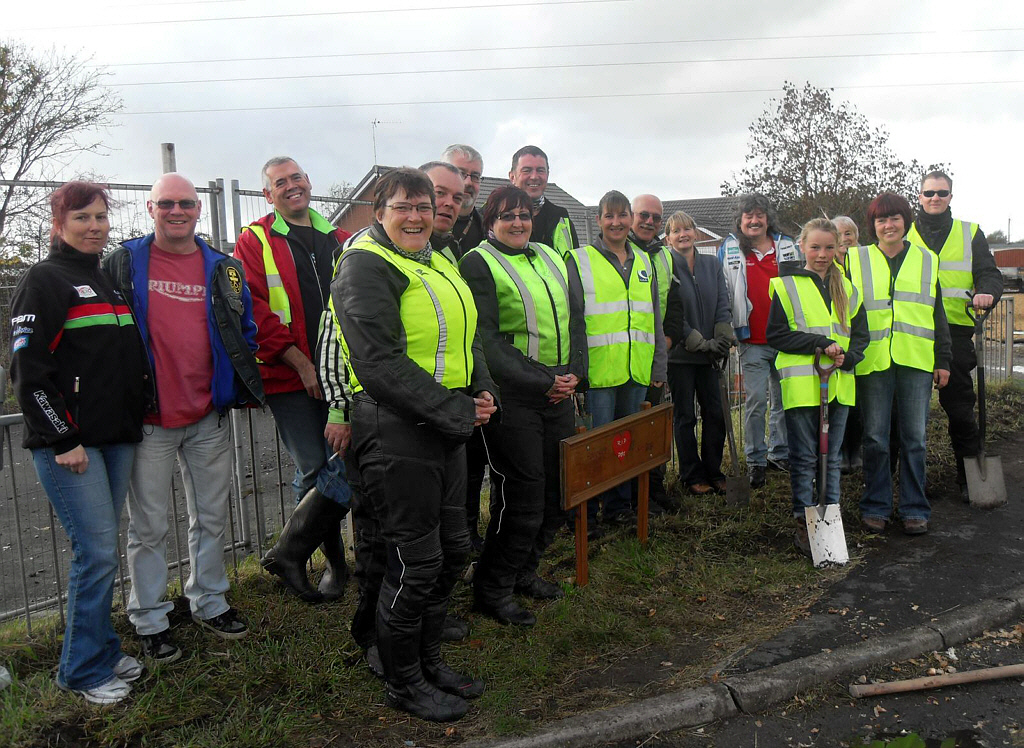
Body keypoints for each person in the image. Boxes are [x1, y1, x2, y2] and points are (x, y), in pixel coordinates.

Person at [334, 167, 497, 722]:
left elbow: (464, 341)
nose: (417, 216)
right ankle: (404, 681)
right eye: (403, 205)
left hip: (445, 425)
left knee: (453, 549)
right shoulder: (364, 266)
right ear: (379, 210)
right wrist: (454, 411)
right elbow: (377, 362)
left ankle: (428, 662)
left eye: (424, 207)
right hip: (396, 429)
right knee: (415, 561)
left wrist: (481, 390)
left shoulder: (438, 260)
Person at [104, 173, 264, 663]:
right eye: (167, 203)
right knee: (148, 526)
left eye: (187, 204)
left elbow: (245, 330)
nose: (177, 211)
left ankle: (209, 601)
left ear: (198, 211)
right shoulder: (123, 263)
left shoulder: (223, 268)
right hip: (149, 419)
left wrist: (234, 385)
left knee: (212, 517)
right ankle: (149, 617)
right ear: (150, 208)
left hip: (207, 417)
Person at [11, 182, 151, 704]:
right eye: (82, 218)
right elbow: (28, 370)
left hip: (116, 441)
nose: (94, 227)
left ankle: (101, 647)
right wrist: (61, 436)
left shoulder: (109, 284)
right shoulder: (44, 281)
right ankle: (80, 671)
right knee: (94, 555)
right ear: (58, 225)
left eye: (100, 217)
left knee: (103, 553)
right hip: (71, 447)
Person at [460, 185, 587, 627]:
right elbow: (488, 341)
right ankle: (492, 587)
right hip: (514, 400)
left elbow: (576, 321)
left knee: (558, 494)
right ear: (490, 221)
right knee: (523, 497)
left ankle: (523, 572)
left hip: (558, 393)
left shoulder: (552, 256)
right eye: (506, 215)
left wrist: (574, 374)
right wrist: (546, 380)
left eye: (524, 214)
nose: (517, 222)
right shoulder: (478, 262)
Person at [234, 157, 354, 604]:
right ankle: (333, 568)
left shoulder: (340, 237)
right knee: (314, 469)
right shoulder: (255, 239)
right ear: (268, 195)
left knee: (346, 463)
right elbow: (255, 311)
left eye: (296, 178)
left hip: (342, 375)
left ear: (309, 182)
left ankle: (293, 552)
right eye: (279, 183)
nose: (291, 187)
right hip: (288, 377)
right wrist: (304, 365)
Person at [848, 192, 951, 535]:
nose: (888, 225)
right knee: (875, 437)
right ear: (873, 226)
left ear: (906, 222)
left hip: (916, 360)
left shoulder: (927, 259)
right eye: (881, 220)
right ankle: (876, 505)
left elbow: (938, 315)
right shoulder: (855, 260)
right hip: (873, 360)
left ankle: (914, 507)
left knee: (915, 438)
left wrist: (943, 360)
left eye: (894, 218)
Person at [565, 190, 670, 529]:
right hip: (598, 374)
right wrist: (577, 370)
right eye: (608, 216)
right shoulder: (579, 260)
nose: (616, 222)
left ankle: (619, 509)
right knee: (596, 447)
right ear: (598, 220)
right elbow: (573, 319)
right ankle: (588, 515)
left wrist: (658, 365)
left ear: (630, 219)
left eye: (622, 215)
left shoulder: (644, 261)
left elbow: (654, 318)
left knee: (629, 446)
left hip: (635, 371)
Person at [766, 218, 868, 555]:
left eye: (828, 247)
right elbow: (777, 335)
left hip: (838, 385)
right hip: (802, 386)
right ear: (802, 247)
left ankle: (829, 518)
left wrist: (849, 357)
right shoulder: (785, 285)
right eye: (815, 247)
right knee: (805, 457)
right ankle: (803, 519)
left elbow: (861, 336)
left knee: (833, 457)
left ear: (838, 247)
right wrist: (820, 343)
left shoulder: (849, 289)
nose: (821, 254)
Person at [907, 170, 1002, 501]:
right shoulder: (901, 232)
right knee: (900, 413)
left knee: (961, 409)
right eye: (929, 193)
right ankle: (904, 485)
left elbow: (989, 273)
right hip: (911, 334)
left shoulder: (969, 232)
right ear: (919, 196)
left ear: (951, 197)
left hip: (957, 333)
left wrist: (987, 292)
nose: (935, 198)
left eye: (942, 193)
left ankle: (970, 479)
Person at [719, 194, 802, 488]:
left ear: (768, 218)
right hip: (751, 340)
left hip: (786, 340)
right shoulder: (729, 249)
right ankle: (755, 460)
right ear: (740, 221)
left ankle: (780, 453)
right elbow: (723, 291)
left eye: (759, 216)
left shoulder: (788, 247)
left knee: (784, 400)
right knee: (755, 401)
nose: (754, 221)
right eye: (748, 217)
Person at [440, 146, 490, 553]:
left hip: (470, 369)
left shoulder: (475, 228)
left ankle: (465, 537)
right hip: (422, 386)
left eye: (474, 176)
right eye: (459, 175)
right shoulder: (370, 249)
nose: (467, 184)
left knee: (471, 464)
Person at [664, 211, 734, 495]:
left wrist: (721, 336)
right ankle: (691, 475)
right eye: (676, 231)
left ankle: (713, 469)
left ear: (695, 232)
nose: (683, 234)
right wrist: (695, 340)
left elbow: (722, 299)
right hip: (681, 356)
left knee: (715, 413)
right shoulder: (666, 265)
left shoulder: (711, 264)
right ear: (668, 238)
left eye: (687, 229)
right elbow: (670, 311)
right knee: (685, 417)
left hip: (711, 356)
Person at [630, 194, 682, 510]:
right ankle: (629, 498)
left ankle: (654, 491)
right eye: (643, 215)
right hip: (626, 357)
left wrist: (669, 338)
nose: (649, 222)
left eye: (655, 217)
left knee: (653, 426)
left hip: (656, 358)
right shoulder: (620, 252)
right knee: (628, 430)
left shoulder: (664, 256)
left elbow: (674, 302)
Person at [832, 215, 863, 473]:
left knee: (860, 405)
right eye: (838, 234)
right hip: (838, 343)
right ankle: (841, 452)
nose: (844, 239)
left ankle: (856, 449)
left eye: (849, 234)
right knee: (840, 402)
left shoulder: (865, 265)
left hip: (863, 342)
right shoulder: (827, 266)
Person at [509, 145, 579, 256]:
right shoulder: (492, 215)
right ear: (512, 177)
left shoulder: (562, 219)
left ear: (547, 175)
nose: (534, 176)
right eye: (527, 170)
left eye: (540, 170)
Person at [442, 144, 486, 258]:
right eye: (461, 173)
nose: (468, 182)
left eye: (475, 176)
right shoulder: (423, 224)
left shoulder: (490, 230)